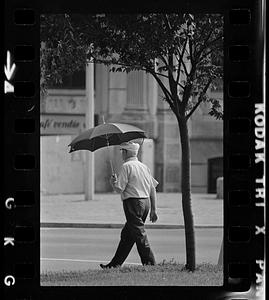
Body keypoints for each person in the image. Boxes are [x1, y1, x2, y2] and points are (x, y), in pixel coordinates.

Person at [100, 141, 158, 269]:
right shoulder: (144, 166)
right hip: (145, 203)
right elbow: (152, 188)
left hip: (133, 203)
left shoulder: (126, 166)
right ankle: (114, 265)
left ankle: (150, 264)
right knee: (127, 235)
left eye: (122, 151)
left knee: (139, 235)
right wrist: (154, 209)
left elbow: (120, 189)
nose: (121, 154)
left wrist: (113, 182)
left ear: (126, 152)